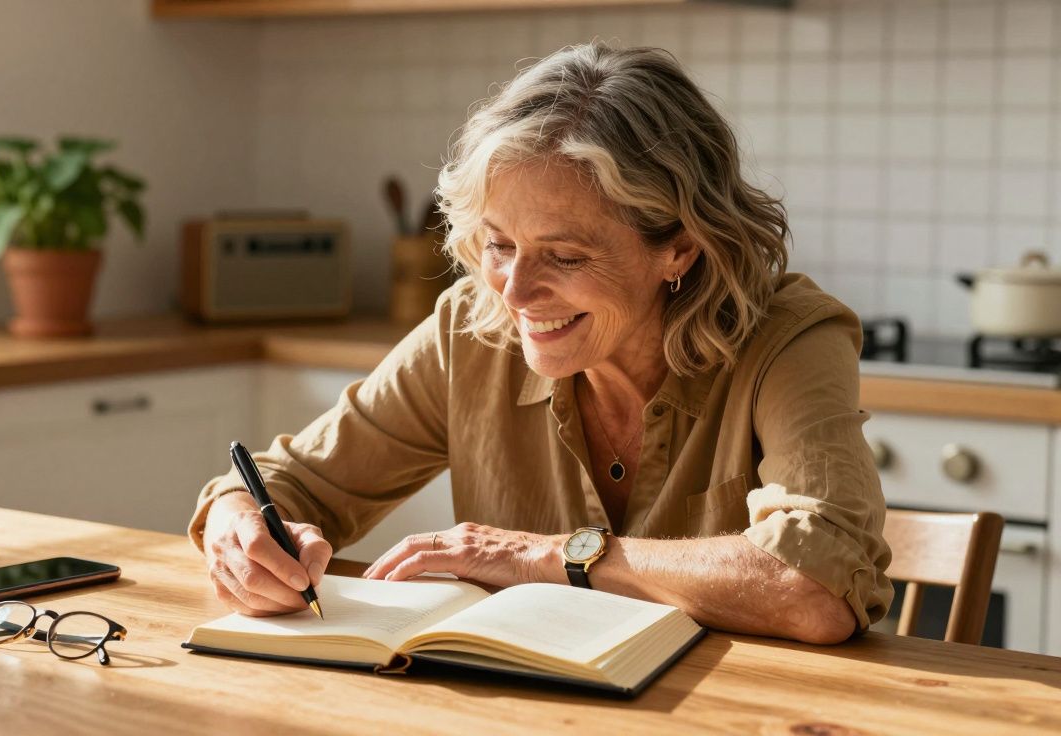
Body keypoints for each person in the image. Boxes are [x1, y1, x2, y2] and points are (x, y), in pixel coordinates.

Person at [188, 43, 892, 645]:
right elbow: (284, 482)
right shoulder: (472, 328)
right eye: (498, 245)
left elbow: (813, 583)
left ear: (679, 248)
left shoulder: (789, 338)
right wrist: (238, 531)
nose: (515, 293)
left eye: (565, 256)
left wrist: (546, 556)